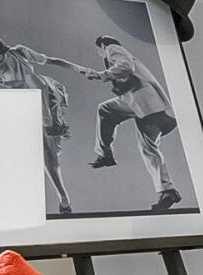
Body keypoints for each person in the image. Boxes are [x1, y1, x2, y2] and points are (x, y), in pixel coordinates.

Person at [0, 26, 80, 215]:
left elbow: (50, 62)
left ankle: (62, 197)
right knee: (40, 152)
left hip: (47, 99)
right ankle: (59, 199)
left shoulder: (18, 53)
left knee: (49, 151)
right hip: (21, 110)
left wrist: (80, 69)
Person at [76, 33, 185, 211]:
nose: (100, 54)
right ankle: (168, 191)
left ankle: (105, 154)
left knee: (105, 109)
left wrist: (101, 75)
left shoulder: (112, 49)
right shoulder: (128, 58)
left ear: (102, 45)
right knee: (149, 150)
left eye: (98, 50)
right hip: (158, 112)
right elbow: (128, 75)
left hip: (144, 102)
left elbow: (126, 66)